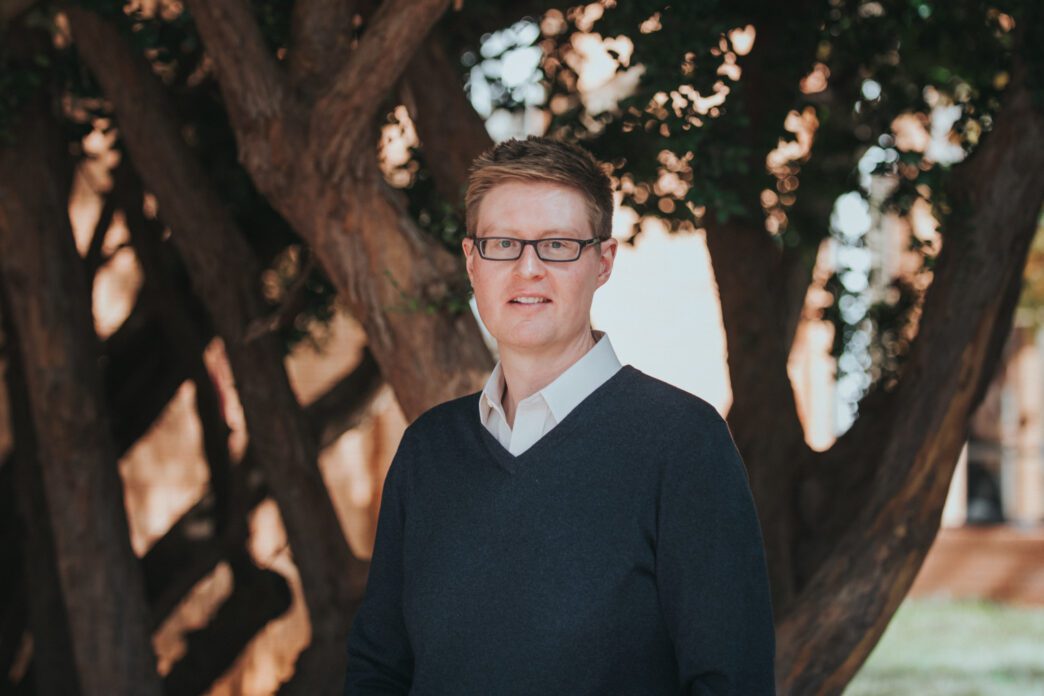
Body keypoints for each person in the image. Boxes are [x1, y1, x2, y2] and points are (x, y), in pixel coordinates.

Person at [343, 136, 776, 695]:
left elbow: (730, 682)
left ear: (603, 262)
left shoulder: (684, 445)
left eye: (558, 245)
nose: (528, 269)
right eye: (503, 243)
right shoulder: (429, 450)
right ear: (472, 261)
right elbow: (379, 667)